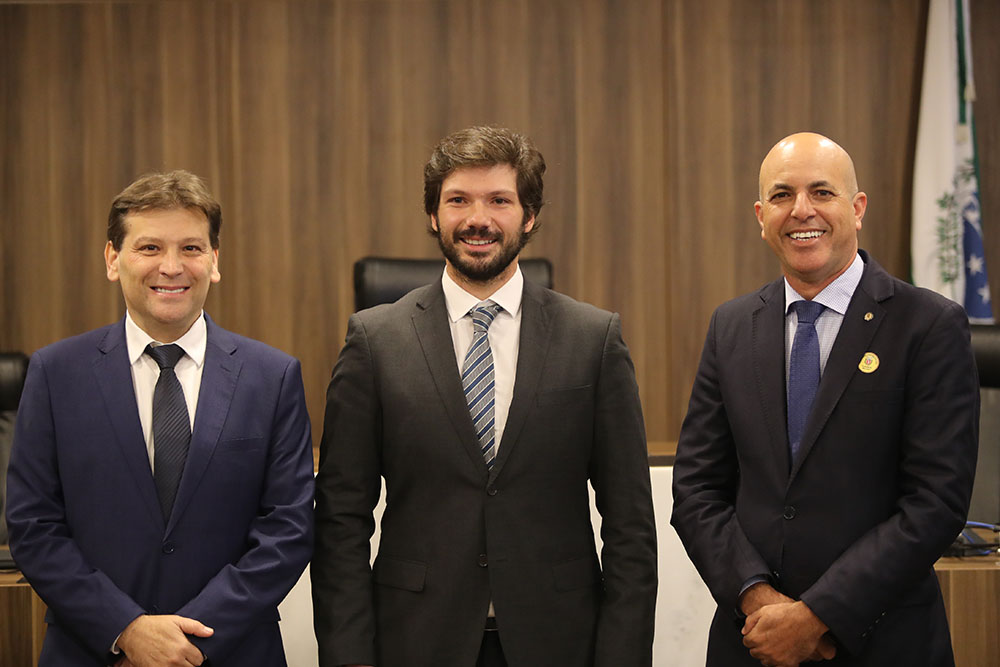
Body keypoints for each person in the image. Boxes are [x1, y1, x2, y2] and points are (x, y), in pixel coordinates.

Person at [312, 126, 657, 667]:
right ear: (433, 215)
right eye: (458, 201)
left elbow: (631, 524)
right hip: (415, 642)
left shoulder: (594, 340)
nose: (479, 219)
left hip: (560, 642)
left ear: (530, 215)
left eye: (500, 200)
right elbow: (340, 522)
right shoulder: (375, 342)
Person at [671, 132, 979, 666]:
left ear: (857, 208)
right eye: (783, 195)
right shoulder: (731, 326)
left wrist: (816, 616)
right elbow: (697, 488)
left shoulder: (928, 325)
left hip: (882, 641)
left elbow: (936, 503)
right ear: (760, 215)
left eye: (822, 192)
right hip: (754, 641)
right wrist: (759, 600)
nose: (801, 211)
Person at [6, 170, 315, 666]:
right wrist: (124, 630)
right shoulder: (55, 373)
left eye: (191, 249)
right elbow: (33, 525)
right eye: (149, 248)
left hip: (233, 651)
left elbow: (288, 528)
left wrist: (187, 643)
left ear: (215, 261)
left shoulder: (272, 376)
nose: (171, 267)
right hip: (92, 651)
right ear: (113, 259)